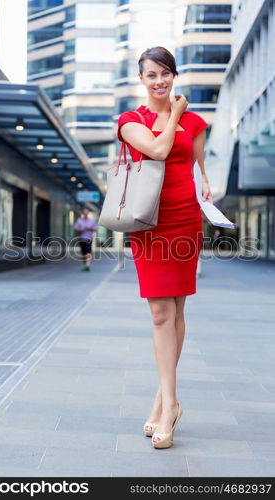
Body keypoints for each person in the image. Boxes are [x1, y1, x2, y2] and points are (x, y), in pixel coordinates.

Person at [117, 46, 213, 449]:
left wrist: (206, 182)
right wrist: (174, 114)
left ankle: (163, 400)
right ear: (141, 79)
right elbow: (156, 149)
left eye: (166, 73)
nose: (159, 81)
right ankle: (170, 401)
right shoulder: (130, 120)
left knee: (177, 309)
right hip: (148, 221)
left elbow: (197, 166)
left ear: (174, 75)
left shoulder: (196, 122)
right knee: (160, 311)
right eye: (151, 74)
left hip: (185, 219)